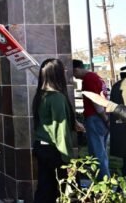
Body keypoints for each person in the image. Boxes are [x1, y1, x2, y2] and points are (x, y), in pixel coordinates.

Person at [32, 58, 76, 203]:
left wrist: (73, 122)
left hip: (41, 146)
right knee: (59, 191)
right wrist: (69, 161)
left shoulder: (40, 95)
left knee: (45, 188)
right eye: (62, 69)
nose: (65, 71)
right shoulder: (57, 97)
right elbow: (61, 132)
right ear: (56, 74)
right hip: (54, 150)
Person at [72, 59, 110, 180]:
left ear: (77, 69)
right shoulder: (96, 77)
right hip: (100, 117)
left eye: (73, 73)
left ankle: (103, 181)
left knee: (97, 152)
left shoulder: (88, 79)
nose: (74, 76)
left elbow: (95, 100)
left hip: (95, 117)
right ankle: (104, 179)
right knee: (101, 151)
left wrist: (104, 117)